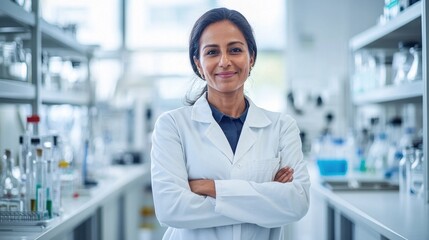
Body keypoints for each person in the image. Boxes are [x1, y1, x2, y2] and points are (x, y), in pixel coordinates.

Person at [151, 7, 310, 240]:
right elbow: (171, 209)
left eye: (235, 50)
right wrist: (266, 198)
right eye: (212, 52)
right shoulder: (172, 126)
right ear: (198, 63)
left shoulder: (281, 127)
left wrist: (210, 188)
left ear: (251, 58)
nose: (224, 61)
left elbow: (297, 202)